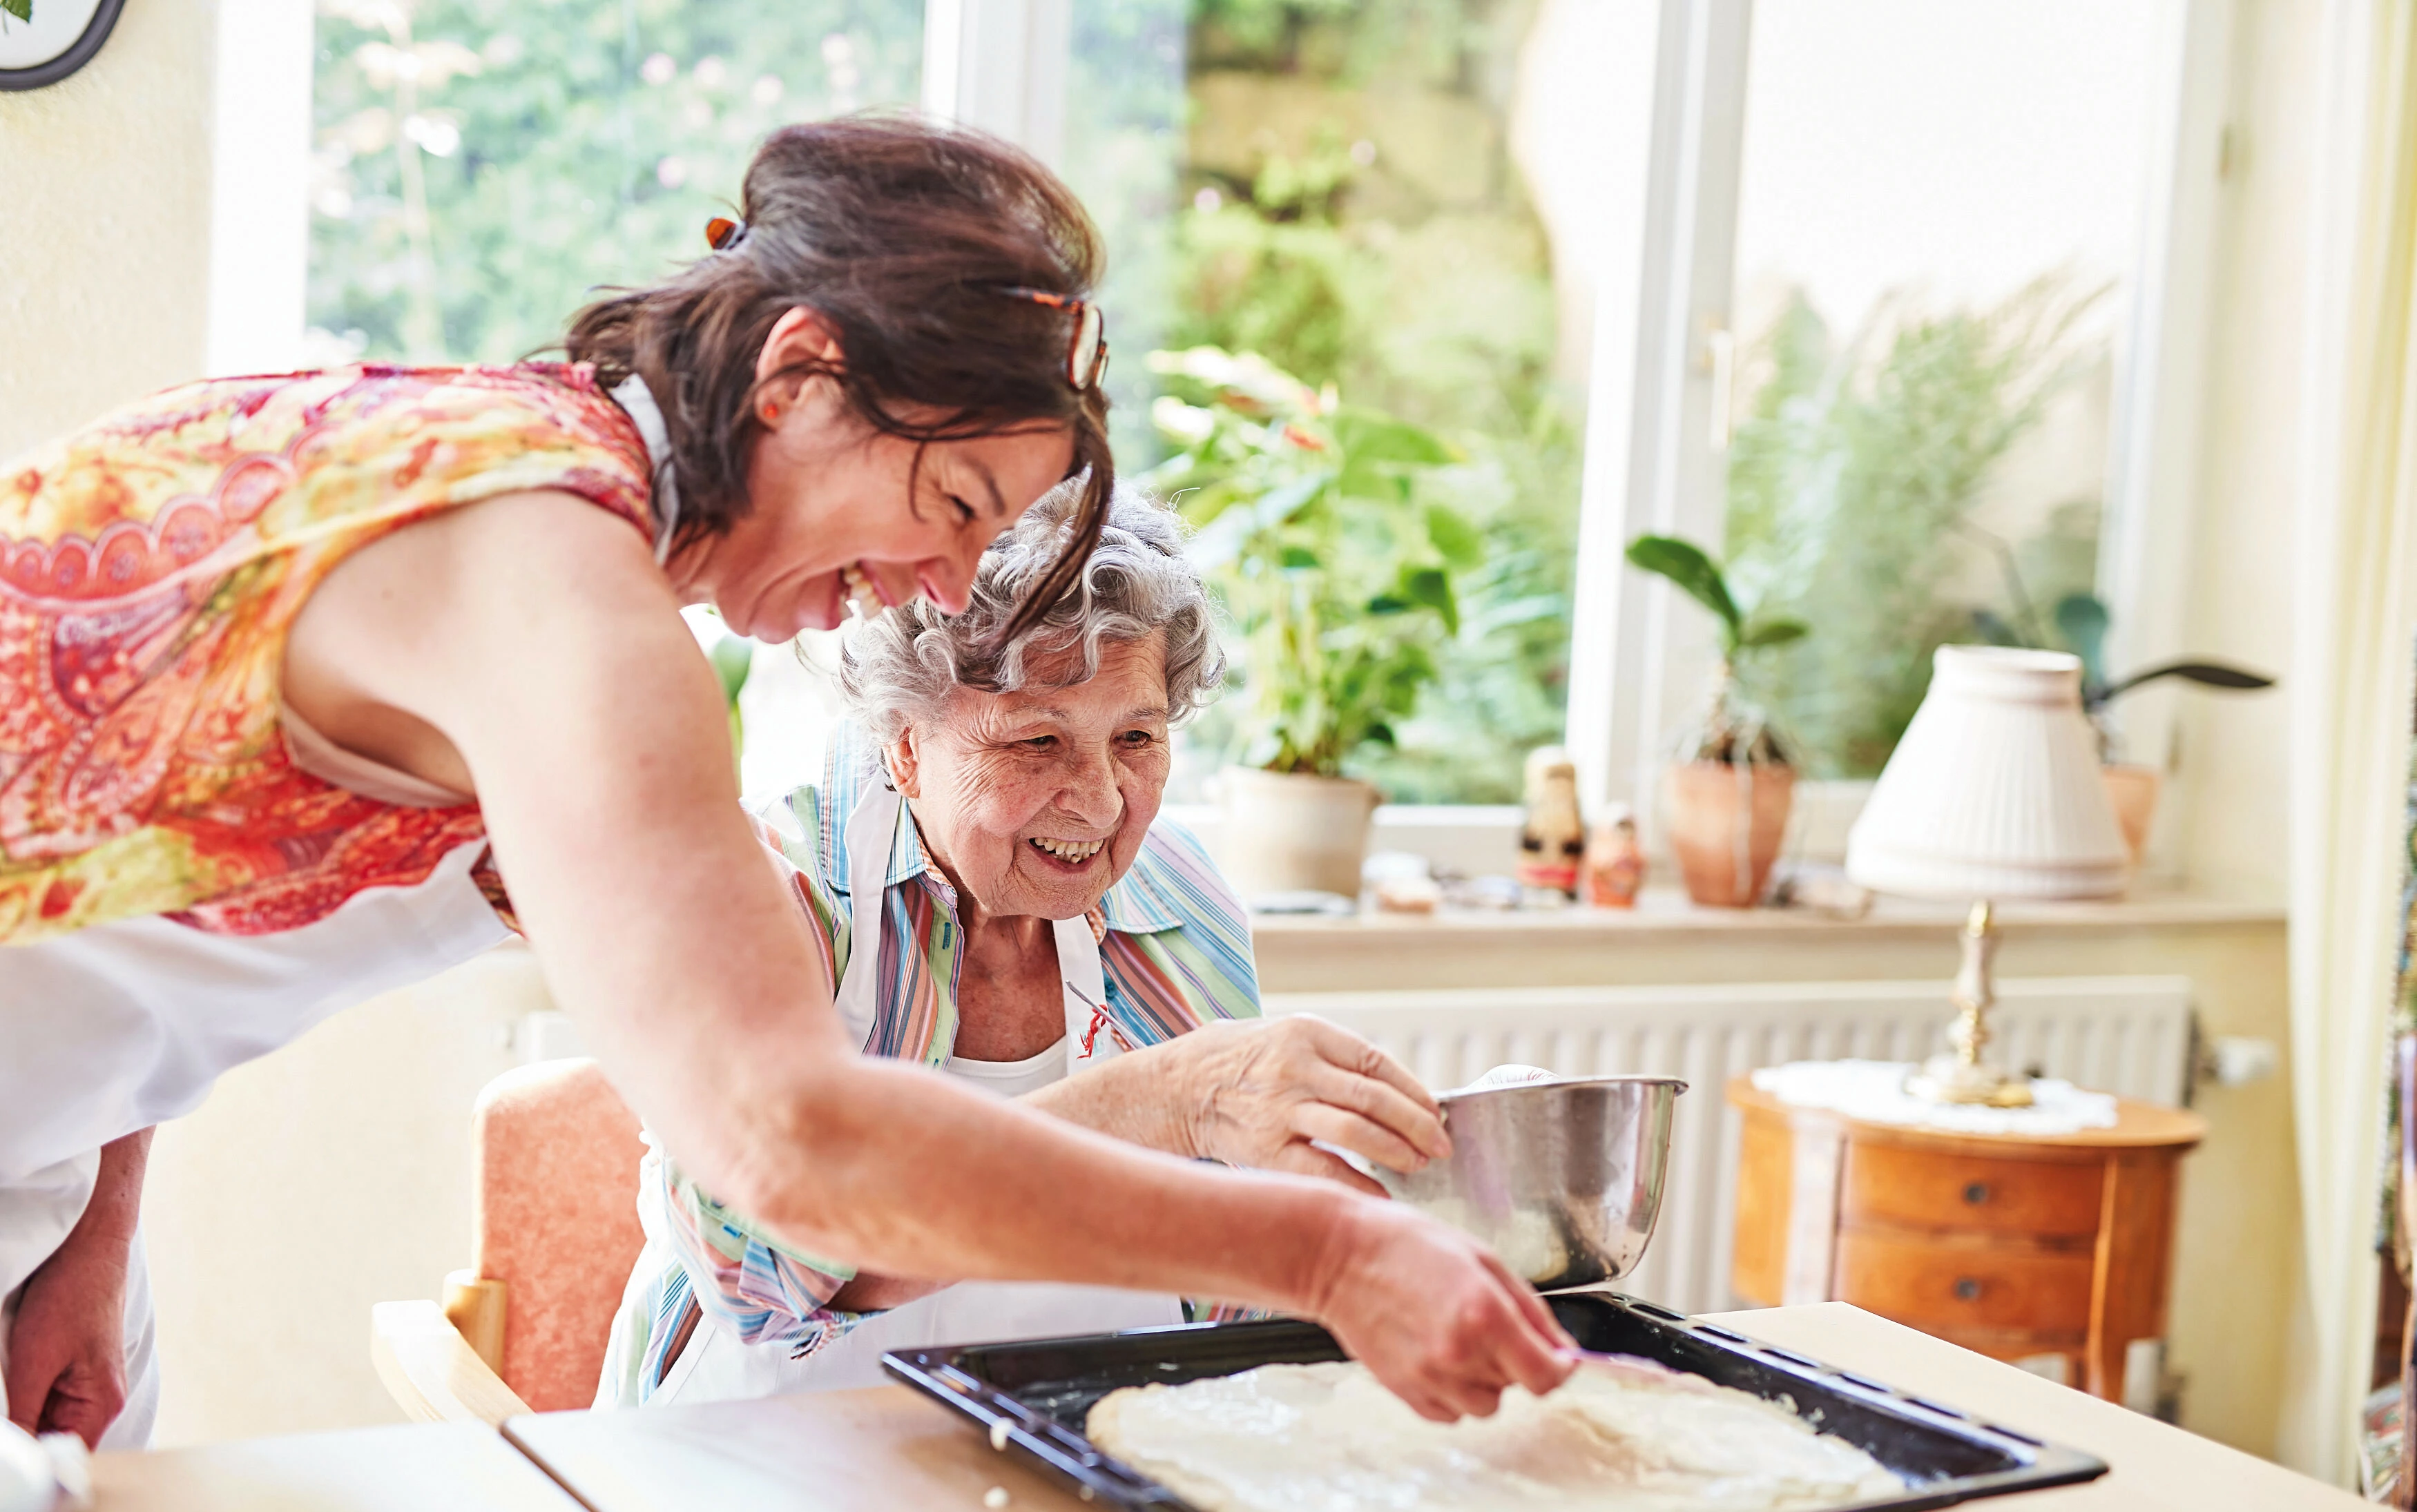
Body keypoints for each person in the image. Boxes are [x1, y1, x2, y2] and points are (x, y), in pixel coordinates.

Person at [0, 115, 1570, 1451]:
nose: (947, 580)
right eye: (952, 499)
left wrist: (89, 1208)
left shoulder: (506, 482)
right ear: (799, 375)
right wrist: (1330, 1251)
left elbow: (163, 836)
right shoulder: (548, 573)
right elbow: (789, 1146)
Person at [601, 484, 1442, 1404]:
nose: (1105, 799)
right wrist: (1159, 1104)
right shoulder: (769, 887)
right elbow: (762, 1283)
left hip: (1082, 1446)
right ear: (906, 743)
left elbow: (1225, 1301)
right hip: (764, 1454)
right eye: (1038, 739)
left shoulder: (1177, 890)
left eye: (1136, 736)